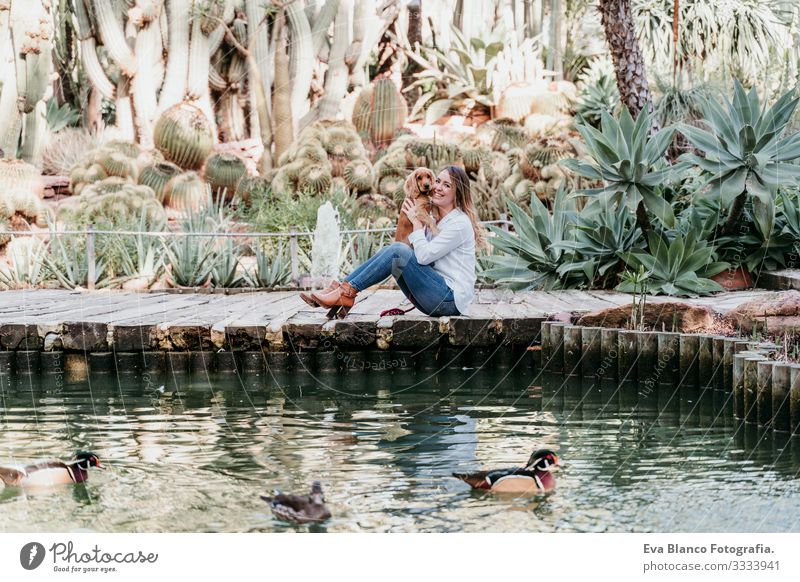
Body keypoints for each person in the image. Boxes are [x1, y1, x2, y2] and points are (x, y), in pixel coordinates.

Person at [303, 165, 485, 318]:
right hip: (434, 296)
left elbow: (423, 257)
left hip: (449, 301)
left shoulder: (458, 223)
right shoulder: (436, 220)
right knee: (392, 251)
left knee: (398, 252)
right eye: (437, 181)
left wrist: (415, 223)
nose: (437, 187)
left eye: (446, 185)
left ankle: (346, 293)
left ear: (457, 193)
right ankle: (342, 289)